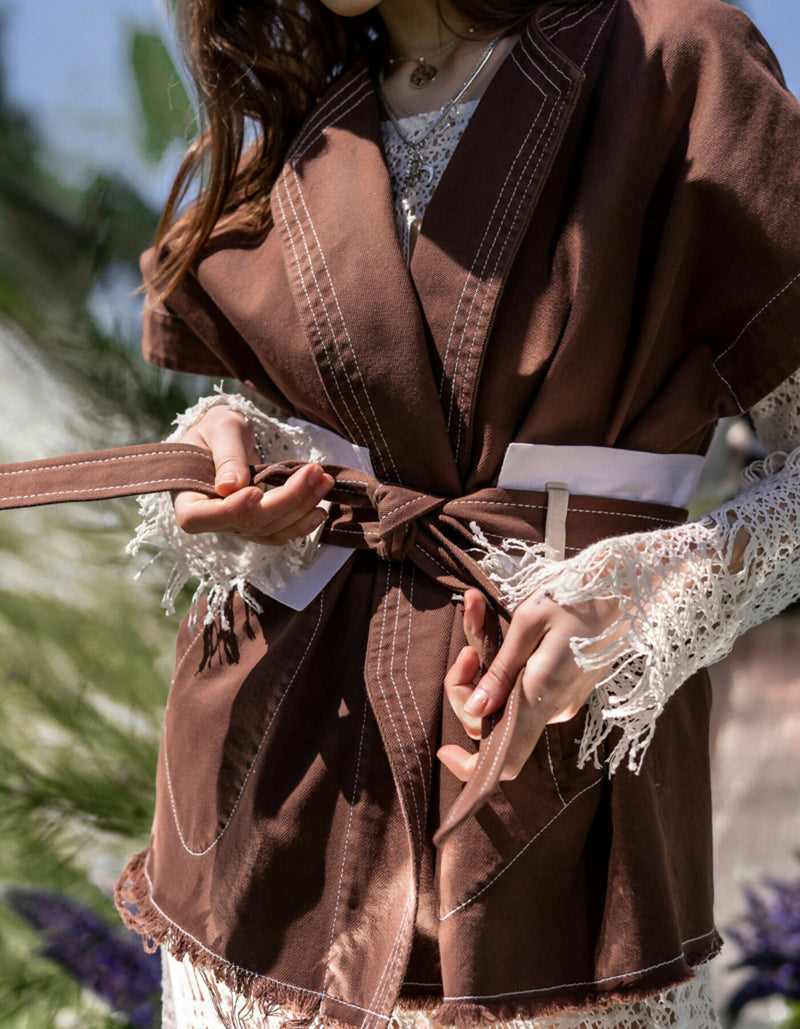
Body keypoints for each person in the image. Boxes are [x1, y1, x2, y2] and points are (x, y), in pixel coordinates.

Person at [109, 0, 800, 1026]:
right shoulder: (314, 105)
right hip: (261, 802)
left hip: (542, 802)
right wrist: (225, 447)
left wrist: (641, 599)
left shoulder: (672, 57)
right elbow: (289, 403)